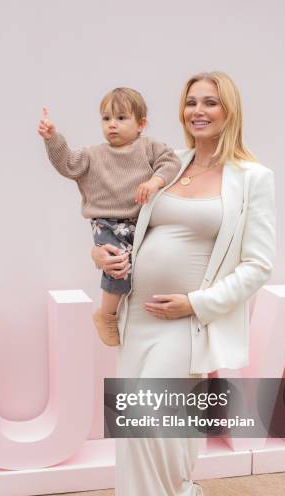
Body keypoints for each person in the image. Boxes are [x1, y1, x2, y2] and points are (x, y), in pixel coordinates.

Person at [91, 71, 276, 496]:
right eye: (191, 102)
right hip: (138, 317)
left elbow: (258, 265)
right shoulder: (166, 166)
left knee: (158, 423)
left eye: (210, 102)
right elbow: (119, 222)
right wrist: (100, 253)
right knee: (141, 428)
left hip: (189, 322)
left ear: (228, 110)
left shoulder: (252, 178)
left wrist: (194, 303)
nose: (198, 110)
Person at [37, 87, 181, 346]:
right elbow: (67, 164)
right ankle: (106, 314)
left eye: (121, 118)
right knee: (117, 266)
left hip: (142, 221)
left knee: (148, 267)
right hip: (106, 222)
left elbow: (170, 162)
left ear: (141, 124)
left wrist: (155, 181)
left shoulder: (149, 147)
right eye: (106, 119)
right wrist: (52, 139)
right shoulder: (93, 155)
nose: (112, 125)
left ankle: (142, 317)